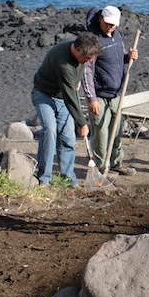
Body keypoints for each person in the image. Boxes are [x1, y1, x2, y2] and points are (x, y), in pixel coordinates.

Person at [32, 32, 103, 186]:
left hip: (64, 94)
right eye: (87, 58)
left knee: (68, 138)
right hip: (44, 94)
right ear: (77, 50)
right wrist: (82, 123)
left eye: (92, 57)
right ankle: (44, 179)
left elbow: (71, 90)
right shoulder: (63, 64)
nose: (90, 61)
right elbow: (70, 97)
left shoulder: (78, 43)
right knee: (50, 131)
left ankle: (69, 179)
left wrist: (76, 80)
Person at [82, 5, 139, 176]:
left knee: (118, 129)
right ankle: (101, 167)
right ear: (100, 19)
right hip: (99, 94)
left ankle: (115, 162)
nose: (110, 27)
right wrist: (91, 98)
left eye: (113, 24)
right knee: (100, 132)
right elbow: (87, 71)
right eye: (107, 23)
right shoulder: (93, 40)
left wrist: (129, 57)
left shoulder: (116, 36)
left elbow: (119, 57)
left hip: (116, 93)